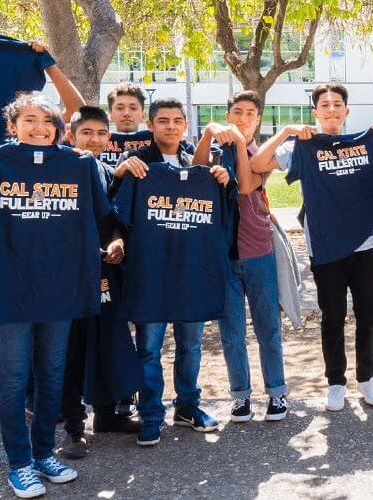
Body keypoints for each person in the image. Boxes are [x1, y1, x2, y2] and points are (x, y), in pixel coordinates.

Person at [0, 95, 118, 498]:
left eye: (48, 120)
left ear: (59, 126)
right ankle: (19, 464)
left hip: (60, 287)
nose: (39, 127)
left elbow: (102, 218)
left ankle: (43, 452)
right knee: (13, 377)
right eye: (29, 119)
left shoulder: (80, 165)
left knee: (53, 374)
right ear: (12, 125)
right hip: (9, 288)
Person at [250, 83, 373, 411]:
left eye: (337, 104)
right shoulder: (303, 146)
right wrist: (286, 130)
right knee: (332, 316)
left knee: (369, 313)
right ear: (315, 112)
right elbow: (258, 165)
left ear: (346, 111)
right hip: (325, 247)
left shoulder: (371, 141)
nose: (331, 109)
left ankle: (367, 379)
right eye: (324, 105)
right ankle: (335, 382)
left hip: (365, 244)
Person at [114, 97, 230, 446]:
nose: (170, 126)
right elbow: (115, 210)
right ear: (151, 125)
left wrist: (223, 180)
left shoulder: (199, 162)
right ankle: (151, 414)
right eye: (162, 120)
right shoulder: (136, 163)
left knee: (190, 344)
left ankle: (187, 406)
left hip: (191, 272)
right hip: (150, 273)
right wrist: (121, 171)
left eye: (177, 120)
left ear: (185, 125)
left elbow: (224, 211)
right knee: (148, 347)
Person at [194, 90, 289, 422]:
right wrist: (210, 133)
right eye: (237, 112)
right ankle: (240, 396)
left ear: (258, 119)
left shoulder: (261, 153)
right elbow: (195, 171)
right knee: (231, 331)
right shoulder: (216, 149)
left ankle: (277, 392)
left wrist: (237, 142)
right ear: (229, 114)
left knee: (267, 327)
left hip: (256, 250)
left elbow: (247, 186)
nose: (244, 118)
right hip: (222, 255)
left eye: (251, 113)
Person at [59, 106, 142, 460]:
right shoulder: (59, 167)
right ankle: (73, 427)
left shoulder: (109, 170)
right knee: (70, 349)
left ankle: (106, 415)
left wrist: (116, 242)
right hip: (64, 276)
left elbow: (112, 219)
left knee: (108, 340)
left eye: (100, 133)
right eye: (86, 132)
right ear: (70, 135)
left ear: (109, 138)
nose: (94, 139)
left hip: (104, 274)